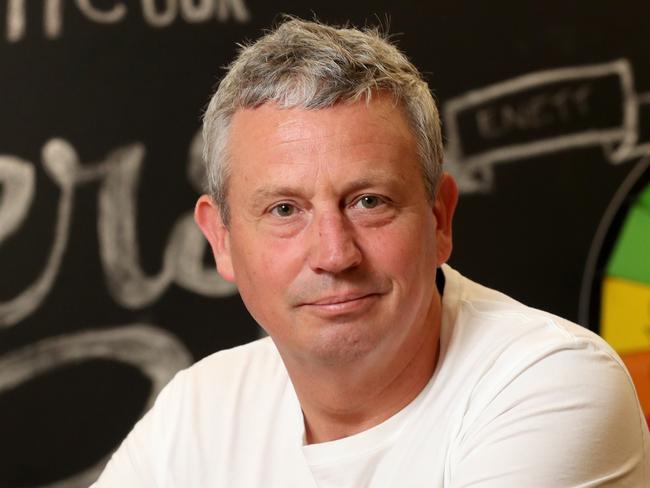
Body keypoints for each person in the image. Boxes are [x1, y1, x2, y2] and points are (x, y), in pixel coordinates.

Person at [91, 17, 649, 487]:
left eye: (368, 201)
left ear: (439, 218)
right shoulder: (199, 411)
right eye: (285, 209)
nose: (334, 254)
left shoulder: (553, 384)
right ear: (221, 240)